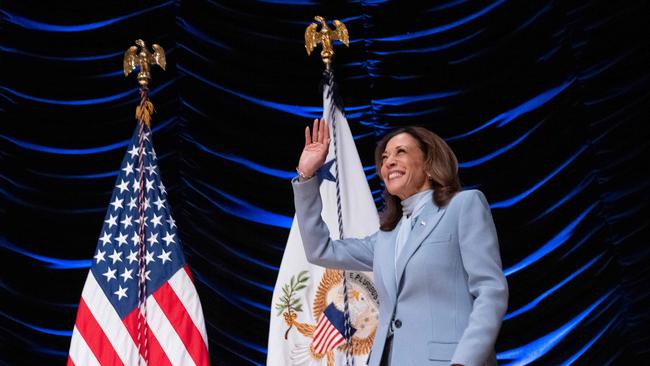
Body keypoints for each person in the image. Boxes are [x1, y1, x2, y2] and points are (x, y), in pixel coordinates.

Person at [292, 119, 508, 366]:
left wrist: (465, 361)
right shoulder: (386, 237)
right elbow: (320, 250)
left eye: (400, 152)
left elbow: (491, 291)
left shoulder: (463, 206)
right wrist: (307, 176)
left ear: (429, 163)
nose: (388, 162)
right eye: (384, 158)